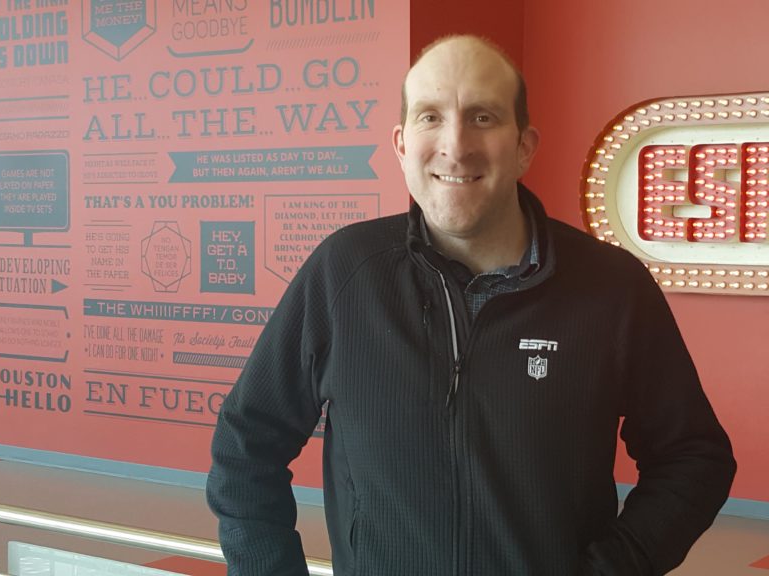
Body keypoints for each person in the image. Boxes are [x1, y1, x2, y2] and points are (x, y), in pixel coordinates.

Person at [207, 35, 736, 576]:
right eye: (430, 117)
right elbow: (246, 441)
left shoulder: (611, 287)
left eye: (482, 117)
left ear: (525, 146)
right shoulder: (345, 272)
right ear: (400, 143)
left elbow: (694, 458)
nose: (455, 146)